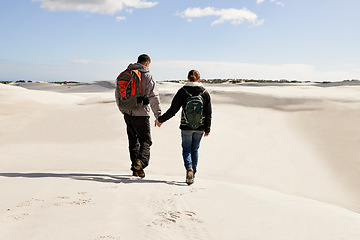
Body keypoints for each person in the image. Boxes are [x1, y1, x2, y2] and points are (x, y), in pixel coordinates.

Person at [155, 70, 212, 185]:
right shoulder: (205, 92)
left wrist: (160, 120)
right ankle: (193, 175)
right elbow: (208, 112)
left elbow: (173, 110)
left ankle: (189, 168)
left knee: (186, 149)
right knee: (194, 149)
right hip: (200, 127)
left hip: (186, 126)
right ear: (198, 79)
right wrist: (207, 129)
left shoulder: (182, 91)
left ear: (188, 78)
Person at [115, 54, 161, 178]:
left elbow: (118, 93)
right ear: (146, 63)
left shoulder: (124, 74)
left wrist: (122, 109)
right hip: (141, 113)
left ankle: (136, 169)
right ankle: (140, 162)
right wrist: (158, 115)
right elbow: (154, 96)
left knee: (133, 141)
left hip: (127, 113)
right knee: (145, 140)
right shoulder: (147, 76)